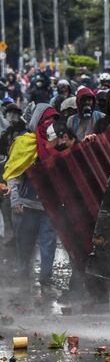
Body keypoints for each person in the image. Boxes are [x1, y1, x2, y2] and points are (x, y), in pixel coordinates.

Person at [4, 103, 61, 296]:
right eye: (46, 120)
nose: (50, 124)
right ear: (37, 120)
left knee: (48, 246)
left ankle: (45, 283)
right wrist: (15, 200)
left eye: (53, 120)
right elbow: (13, 173)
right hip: (26, 206)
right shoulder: (24, 143)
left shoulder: (57, 144)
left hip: (49, 207)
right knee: (25, 247)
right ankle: (23, 282)